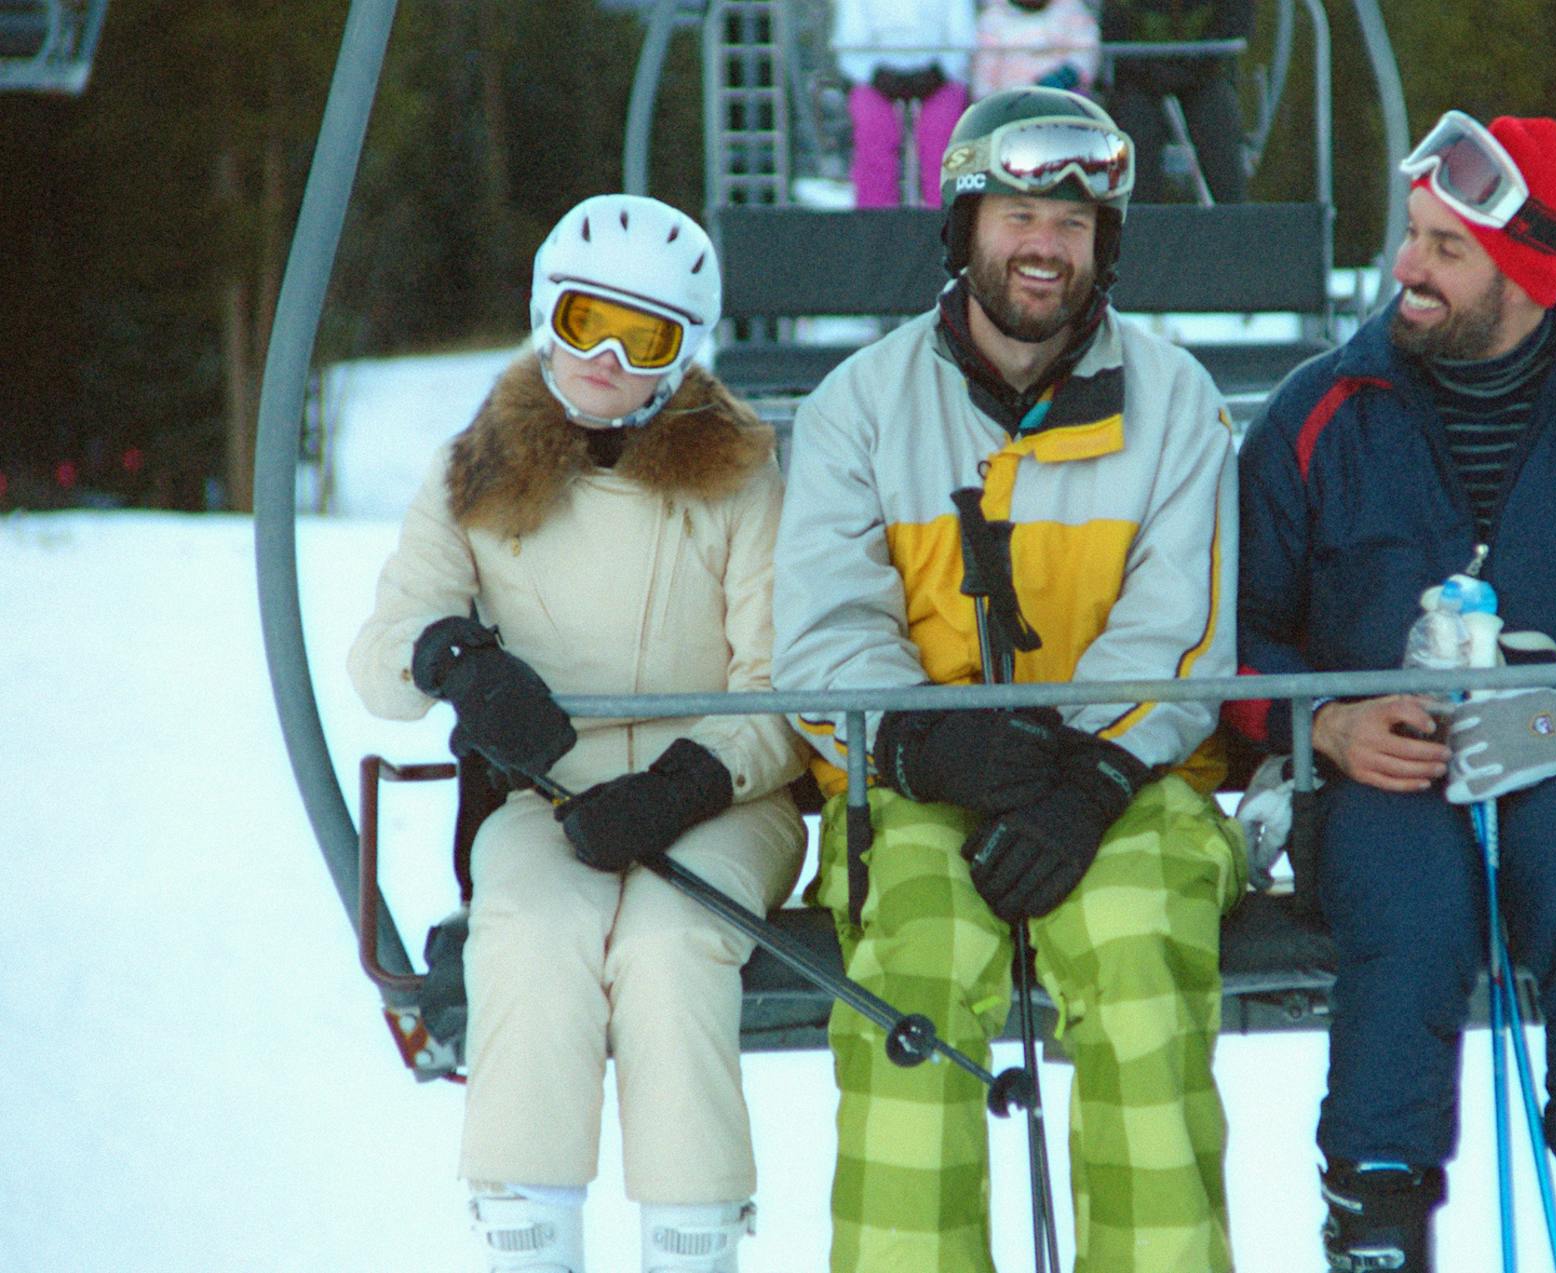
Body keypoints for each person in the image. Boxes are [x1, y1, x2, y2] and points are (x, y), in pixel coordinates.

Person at [1233, 112, 1556, 1273]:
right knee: (1407, 913)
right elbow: (1232, 641)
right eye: (1410, 237)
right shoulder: (1319, 416)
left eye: (1446, 250)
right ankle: (1378, 1215)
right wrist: (1330, 721)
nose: (1407, 268)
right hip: (1374, 770)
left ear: (1525, 274)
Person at [771, 86, 1244, 1273]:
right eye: (1018, 214)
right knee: (910, 997)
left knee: (1141, 972)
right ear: (963, 224)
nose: (1045, 246)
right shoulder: (862, 410)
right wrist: (921, 745)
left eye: (1074, 225)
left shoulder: (1175, 406)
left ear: (1107, 244)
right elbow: (822, 632)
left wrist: (1082, 780)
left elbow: (1182, 631)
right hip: (918, 787)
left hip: (1127, 783)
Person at [347, 194, 808, 1273]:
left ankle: (691, 1244)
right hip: (542, 794)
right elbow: (383, 654)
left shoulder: (740, 475)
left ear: (684, 354)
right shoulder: (478, 467)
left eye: (640, 338)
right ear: (545, 313)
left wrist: (689, 783)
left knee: (667, 945)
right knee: (534, 935)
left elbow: (783, 684)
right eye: (582, 319)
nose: (602, 357)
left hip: (725, 794)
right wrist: (453, 658)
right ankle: (530, 1239)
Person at [1098, 0, 1253, 204]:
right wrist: (1151, 72)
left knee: (1218, 124)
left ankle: (1232, 221)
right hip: (1139, 79)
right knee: (1134, 128)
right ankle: (1138, 223)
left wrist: (1192, 69)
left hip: (1204, 75)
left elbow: (1235, 27)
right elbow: (1114, 35)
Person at [831, 0, 977, 207]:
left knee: (944, 141)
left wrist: (941, 72)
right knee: (874, 135)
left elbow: (962, 36)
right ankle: (875, 223)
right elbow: (849, 40)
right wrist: (875, 75)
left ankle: (948, 221)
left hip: (940, 74)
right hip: (874, 75)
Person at [971, 0, 1100, 99]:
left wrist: (1061, 79)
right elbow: (984, 79)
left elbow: (1084, 56)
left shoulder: (1072, 10)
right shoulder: (993, 18)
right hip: (1008, 104)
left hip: (1062, 99)